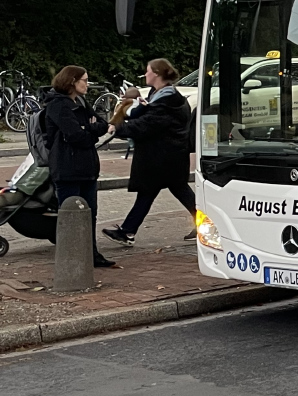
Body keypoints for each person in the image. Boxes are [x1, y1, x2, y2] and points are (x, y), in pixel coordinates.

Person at [101, 58, 196, 246]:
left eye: (148, 71)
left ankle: (128, 232)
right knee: (172, 190)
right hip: (169, 157)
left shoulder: (165, 100)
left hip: (162, 158)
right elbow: (150, 118)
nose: (145, 74)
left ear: (157, 74)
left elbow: (147, 125)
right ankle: (208, 224)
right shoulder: (162, 95)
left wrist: (119, 128)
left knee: (151, 191)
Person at [43, 65, 116, 268]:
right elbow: (74, 135)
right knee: (72, 214)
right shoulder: (59, 105)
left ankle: (91, 254)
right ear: (72, 81)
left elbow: (103, 124)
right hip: (67, 168)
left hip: (87, 167)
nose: (87, 84)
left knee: (90, 212)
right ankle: (73, 258)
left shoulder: (81, 102)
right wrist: (90, 130)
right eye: (84, 80)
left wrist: (89, 128)